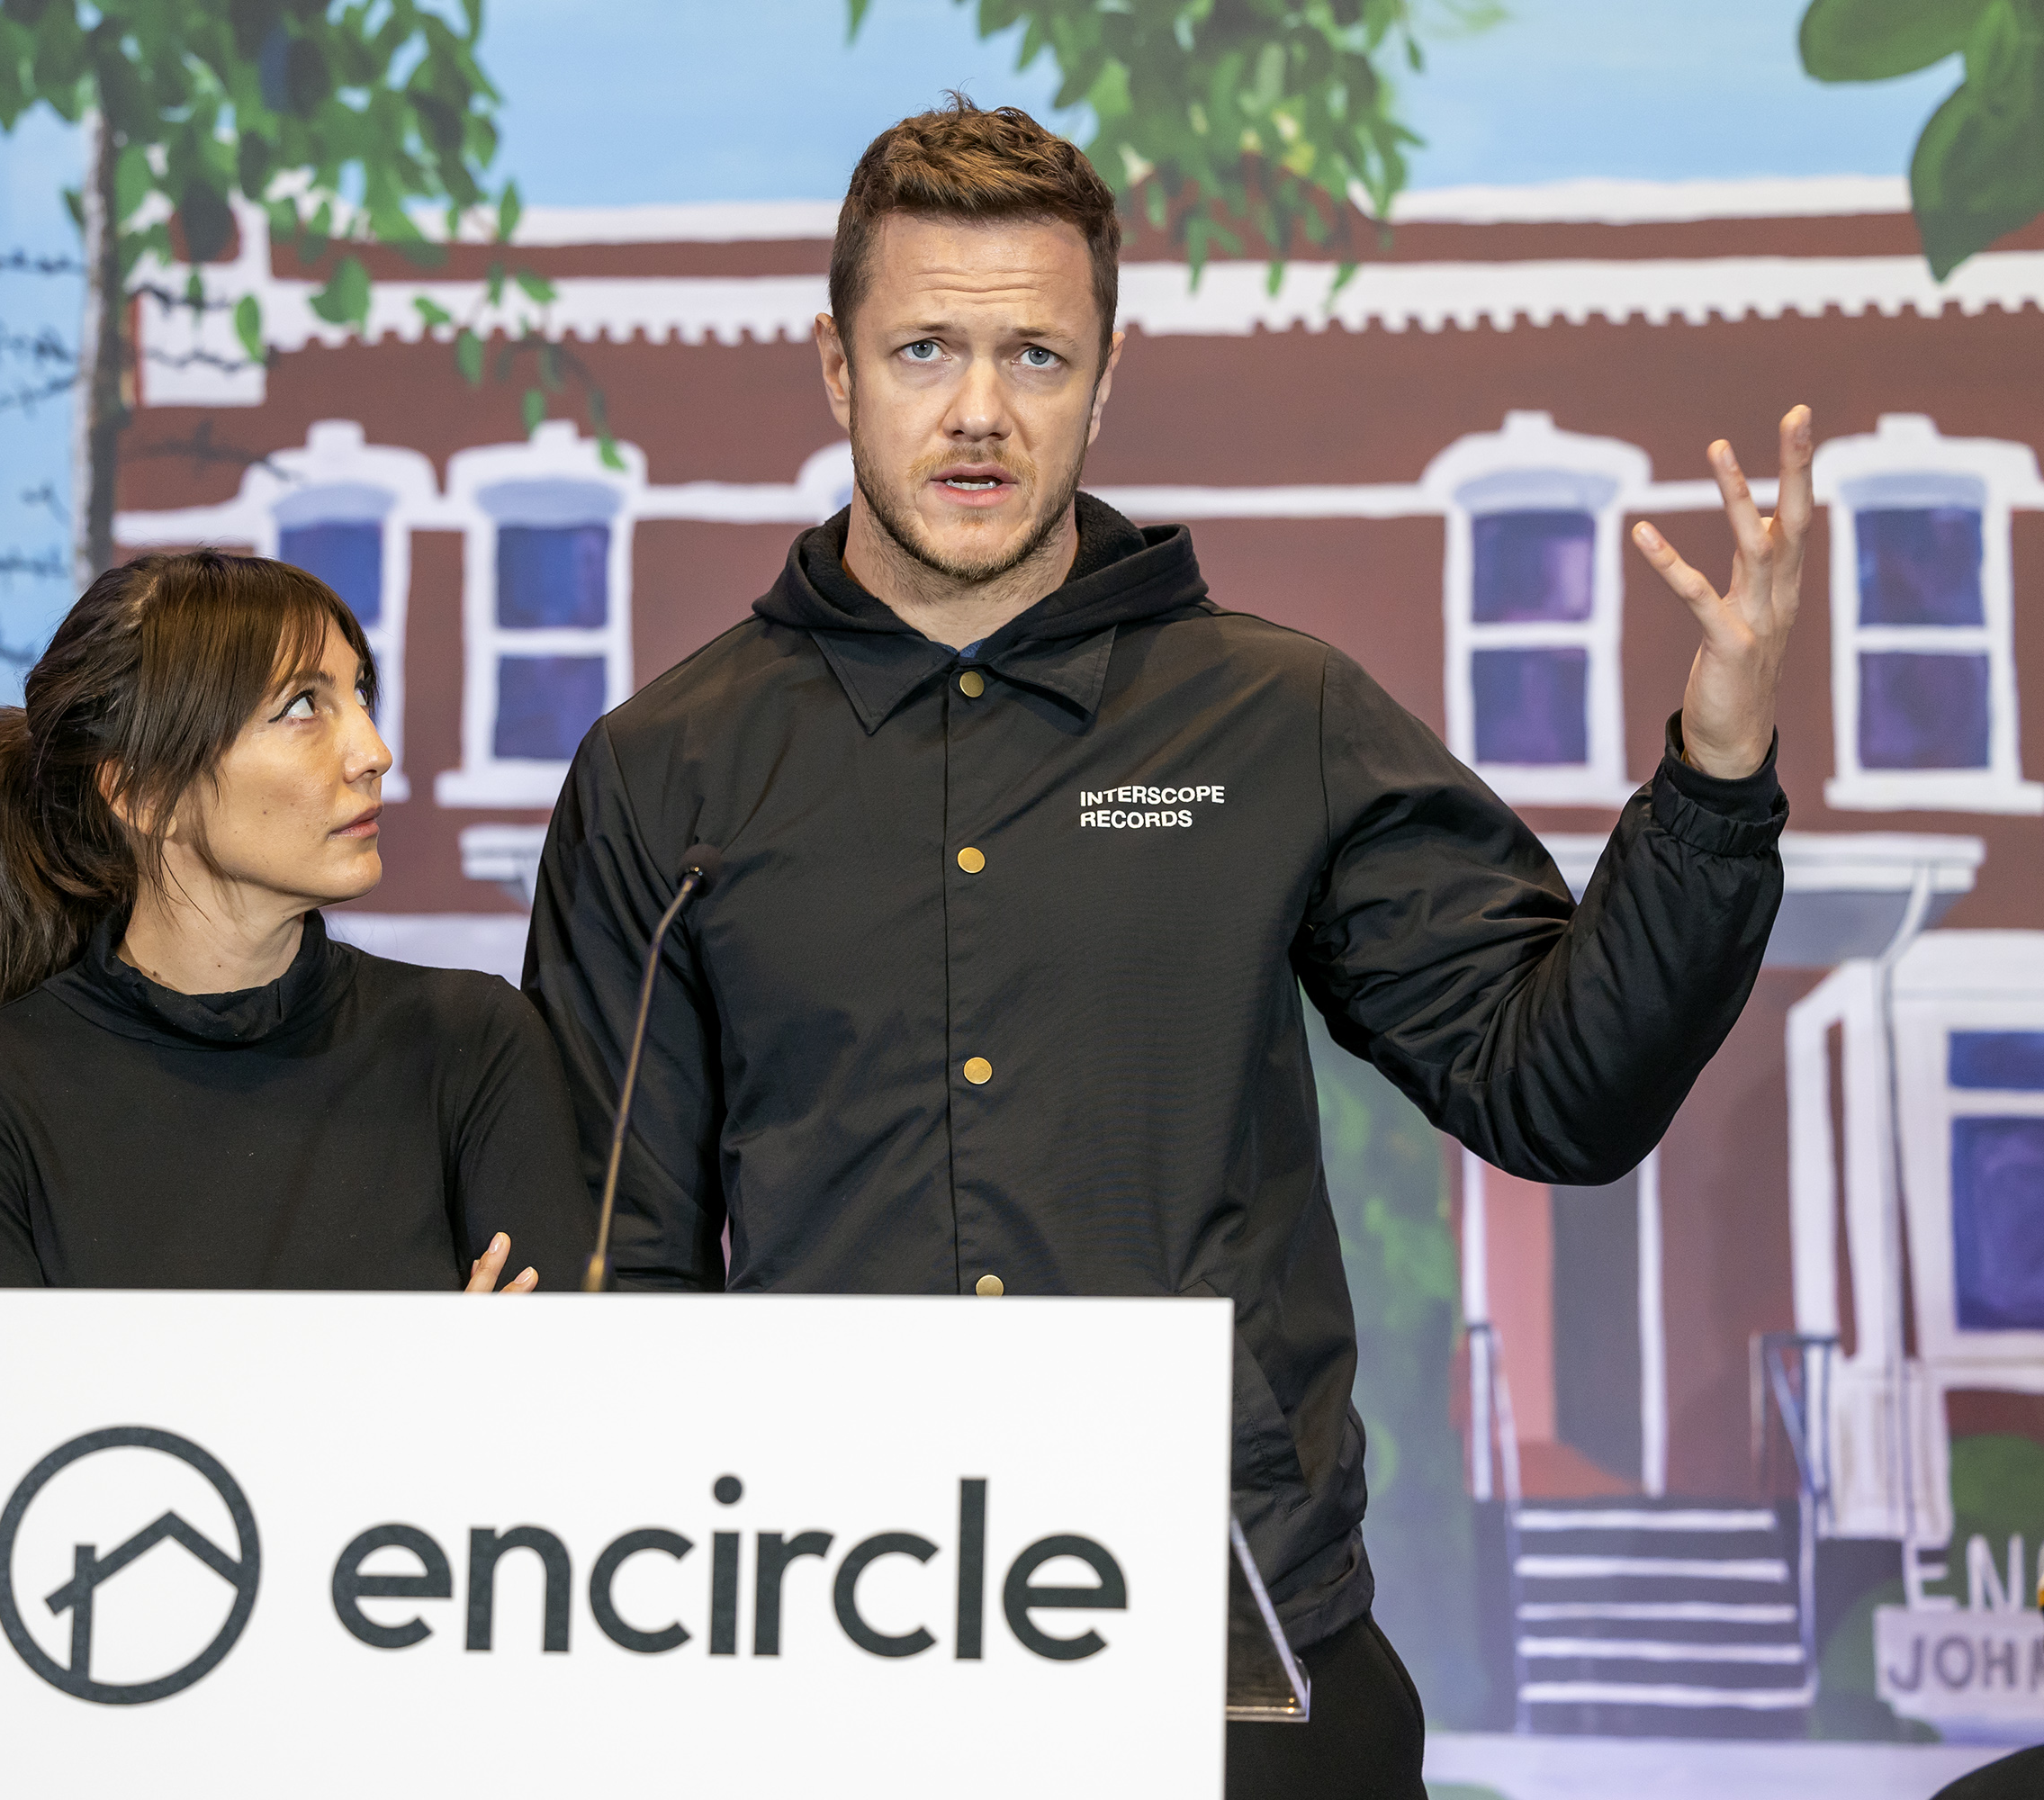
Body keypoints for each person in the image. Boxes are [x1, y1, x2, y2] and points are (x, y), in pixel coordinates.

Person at [523, 100, 1805, 1799]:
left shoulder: (1278, 717)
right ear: (835, 368)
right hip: (830, 1648)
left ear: (1105, 377)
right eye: (926, 347)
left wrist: (1713, 783)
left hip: (1234, 1649)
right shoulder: (665, 770)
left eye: (1037, 356)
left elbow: (1554, 1089)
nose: (980, 412)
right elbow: (621, 1275)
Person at [0, 549, 593, 1475]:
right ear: (141, 790)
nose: (372, 751)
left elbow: (564, 1440)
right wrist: (417, 1388)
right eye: (303, 706)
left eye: (359, 693)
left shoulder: (470, 1042)